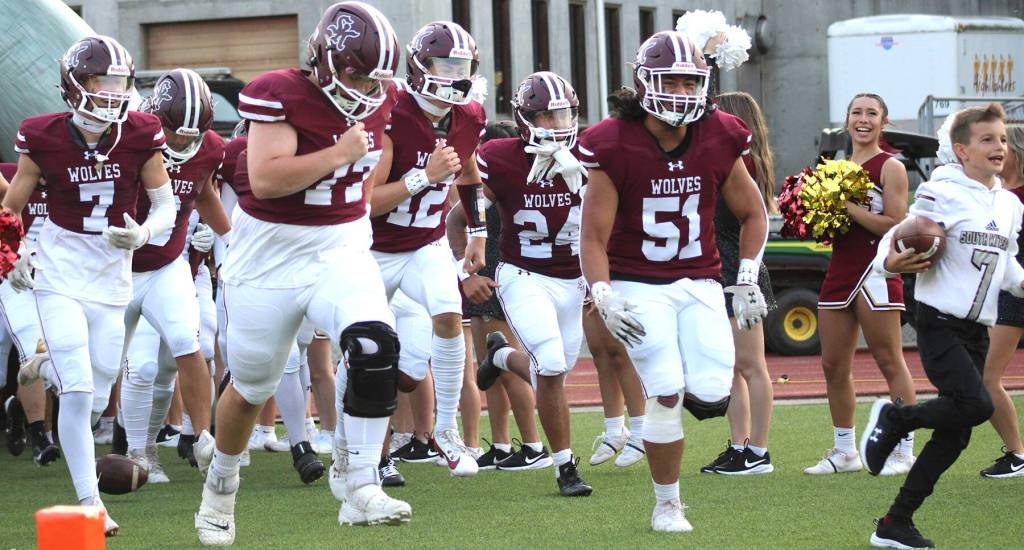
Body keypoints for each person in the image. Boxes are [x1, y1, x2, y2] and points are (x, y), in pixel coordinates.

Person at [197, 4, 408, 545]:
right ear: (324, 59)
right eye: (357, 73)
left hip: (340, 246)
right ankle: (220, 487)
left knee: (373, 345)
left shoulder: (383, 100)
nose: (366, 87)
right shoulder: (280, 93)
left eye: (375, 76)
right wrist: (339, 152)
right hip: (269, 255)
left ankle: (358, 481)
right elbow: (265, 181)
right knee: (250, 387)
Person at [579, 30, 768, 532]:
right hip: (637, 281)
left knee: (708, 393)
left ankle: (686, 409)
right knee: (665, 388)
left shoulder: (721, 133)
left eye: (692, 83)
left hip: (701, 281)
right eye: (673, 82)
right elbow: (592, 238)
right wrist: (602, 293)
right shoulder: (612, 143)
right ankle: (667, 504)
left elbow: (754, 214)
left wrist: (746, 277)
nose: (684, 95)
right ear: (645, 83)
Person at [5, 36, 177, 537]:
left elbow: (164, 205)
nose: (112, 92)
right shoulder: (42, 136)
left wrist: (144, 232)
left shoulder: (142, 132)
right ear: (75, 85)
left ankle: (42, 373)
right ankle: (91, 502)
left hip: (112, 276)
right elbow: (10, 209)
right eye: (103, 81)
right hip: (59, 272)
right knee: (79, 390)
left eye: (120, 82)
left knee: (98, 394)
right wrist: (12, 255)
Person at [863, 103, 1022, 549]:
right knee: (977, 404)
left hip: (977, 329)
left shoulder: (1009, 204)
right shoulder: (942, 191)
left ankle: (895, 522)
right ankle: (897, 417)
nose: (999, 147)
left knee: (956, 436)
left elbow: (1006, 269)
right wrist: (889, 263)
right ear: (961, 149)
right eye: (987, 139)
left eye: (1003, 140)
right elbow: (897, 236)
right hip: (938, 320)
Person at [367, 20, 487, 478]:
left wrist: (478, 231)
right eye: (444, 63)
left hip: (426, 243)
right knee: (369, 348)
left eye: (461, 65)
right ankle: (364, 454)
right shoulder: (392, 113)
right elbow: (366, 202)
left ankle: (447, 429)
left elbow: (470, 174)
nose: (453, 73)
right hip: (373, 249)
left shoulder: (469, 116)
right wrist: (424, 176)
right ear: (419, 67)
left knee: (448, 312)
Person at [471, 71, 591, 494]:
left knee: (554, 369)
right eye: (546, 116)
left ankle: (502, 359)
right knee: (553, 365)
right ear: (525, 119)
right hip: (523, 274)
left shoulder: (590, 154)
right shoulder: (501, 156)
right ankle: (564, 467)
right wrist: (467, 269)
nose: (558, 125)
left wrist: (603, 280)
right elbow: (460, 214)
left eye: (564, 115)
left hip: (573, 279)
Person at [119, 68, 230, 484]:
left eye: (191, 134)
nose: (183, 142)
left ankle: (198, 440)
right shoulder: (129, 138)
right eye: (176, 133)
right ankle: (135, 447)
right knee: (127, 369)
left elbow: (202, 191)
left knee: (187, 346)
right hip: (116, 268)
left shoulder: (210, 148)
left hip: (167, 265)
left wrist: (230, 240)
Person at [806, 93, 917, 477]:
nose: (863, 119)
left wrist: (847, 206)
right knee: (833, 364)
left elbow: (896, 224)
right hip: (839, 270)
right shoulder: (834, 166)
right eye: (857, 112)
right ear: (847, 120)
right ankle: (844, 451)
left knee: (889, 360)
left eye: (872, 113)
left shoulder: (892, 167)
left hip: (877, 270)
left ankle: (904, 449)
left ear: (883, 122)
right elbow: (826, 227)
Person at [700, 91, 776, 475]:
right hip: (719, 271)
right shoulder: (738, 163)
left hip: (738, 273)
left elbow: (749, 222)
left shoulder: (740, 165)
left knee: (750, 365)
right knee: (730, 366)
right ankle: (739, 445)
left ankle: (758, 451)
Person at [0, 163, 61, 466]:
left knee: (41, 349)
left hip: (52, 277)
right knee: (26, 352)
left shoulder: (73, 174)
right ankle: (25, 419)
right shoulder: (14, 173)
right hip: (11, 275)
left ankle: (33, 426)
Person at [980, 123, 1024, 478]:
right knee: (986, 376)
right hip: (1006, 294)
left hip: (1015, 294)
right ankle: (1017, 455)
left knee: (986, 377)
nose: (996, 150)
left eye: (1002, 143)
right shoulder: (997, 194)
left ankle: (1017, 455)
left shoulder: (1016, 197)